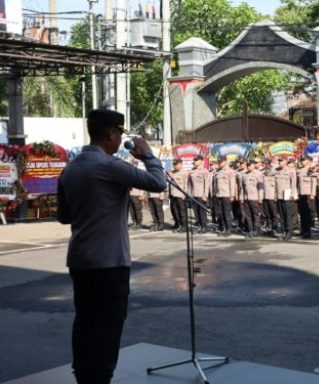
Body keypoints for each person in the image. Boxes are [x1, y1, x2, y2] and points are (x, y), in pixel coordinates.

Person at [57, 109, 166, 384]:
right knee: (108, 325)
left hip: (80, 258)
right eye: (119, 133)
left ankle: (83, 376)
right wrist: (148, 156)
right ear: (111, 133)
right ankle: (101, 378)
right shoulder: (110, 165)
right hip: (109, 261)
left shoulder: (70, 168)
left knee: (85, 321)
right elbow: (158, 182)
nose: (119, 139)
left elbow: (64, 216)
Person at [213, 156, 237, 237]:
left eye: (221, 162)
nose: (219, 163)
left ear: (225, 162)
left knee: (226, 213)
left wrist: (232, 195)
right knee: (220, 213)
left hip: (226, 195)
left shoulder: (230, 172)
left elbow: (232, 184)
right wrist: (215, 193)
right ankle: (223, 228)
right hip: (219, 194)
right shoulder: (218, 172)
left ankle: (228, 229)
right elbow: (215, 184)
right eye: (219, 162)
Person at [275, 157, 298, 241]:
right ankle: (283, 231)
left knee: (288, 215)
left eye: (281, 161)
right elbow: (276, 184)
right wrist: (275, 195)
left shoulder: (291, 171)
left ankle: (289, 232)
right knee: (281, 215)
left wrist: (292, 194)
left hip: (287, 195)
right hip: (279, 195)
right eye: (279, 161)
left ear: (285, 161)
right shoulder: (277, 171)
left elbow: (293, 184)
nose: (279, 162)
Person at [242, 160, 264, 238]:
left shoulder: (259, 174)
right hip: (247, 198)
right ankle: (250, 230)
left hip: (255, 197)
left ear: (254, 165)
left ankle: (256, 230)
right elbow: (243, 188)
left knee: (256, 215)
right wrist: (242, 197)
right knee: (248, 215)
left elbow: (260, 187)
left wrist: (260, 198)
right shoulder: (245, 174)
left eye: (250, 165)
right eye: (247, 165)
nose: (248, 167)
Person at [297, 155, 316, 238]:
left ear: (308, 161)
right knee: (302, 213)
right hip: (301, 194)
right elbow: (298, 184)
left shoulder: (311, 170)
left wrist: (312, 194)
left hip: (308, 194)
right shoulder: (300, 170)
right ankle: (303, 229)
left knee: (308, 214)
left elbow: (313, 183)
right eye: (302, 160)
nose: (302, 162)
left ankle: (308, 231)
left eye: (304, 160)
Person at [189, 156, 210, 234]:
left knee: (202, 212)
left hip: (201, 195)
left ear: (201, 161)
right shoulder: (192, 171)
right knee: (196, 212)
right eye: (194, 160)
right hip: (194, 195)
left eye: (196, 160)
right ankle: (200, 226)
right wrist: (189, 194)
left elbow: (207, 184)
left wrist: (205, 195)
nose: (195, 161)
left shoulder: (205, 171)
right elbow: (190, 184)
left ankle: (204, 227)